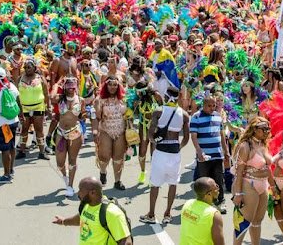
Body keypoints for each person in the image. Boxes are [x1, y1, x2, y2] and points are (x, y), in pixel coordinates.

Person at [139, 86, 190, 224]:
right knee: (173, 184)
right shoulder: (184, 115)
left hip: (160, 152)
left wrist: (155, 142)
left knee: (155, 184)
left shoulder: (158, 111)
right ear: (178, 97)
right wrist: (178, 147)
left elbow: (150, 134)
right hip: (174, 153)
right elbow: (186, 138)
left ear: (166, 97)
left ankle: (151, 214)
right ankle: (167, 214)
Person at [52, 176, 132, 245]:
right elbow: (82, 218)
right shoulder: (86, 204)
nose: (78, 193)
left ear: (92, 193)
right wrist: (64, 221)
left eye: (80, 190)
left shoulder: (111, 213)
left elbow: (126, 242)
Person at [232, 117, 273, 245]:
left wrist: (274, 186)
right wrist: (238, 194)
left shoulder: (263, 144)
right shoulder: (246, 146)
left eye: (268, 129)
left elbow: (268, 168)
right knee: (244, 222)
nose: (267, 131)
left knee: (257, 222)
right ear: (255, 129)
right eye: (264, 129)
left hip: (263, 185)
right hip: (249, 185)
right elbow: (239, 173)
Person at [190, 94, 229, 214]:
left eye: (214, 105)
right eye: (209, 106)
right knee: (204, 182)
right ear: (203, 105)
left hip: (217, 155)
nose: (212, 108)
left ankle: (220, 202)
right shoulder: (196, 117)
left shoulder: (218, 116)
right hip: (204, 157)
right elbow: (194, 137)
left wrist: (226, 151)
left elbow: (221, 134)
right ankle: (203, 205)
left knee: (219, 179)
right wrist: (199, 151)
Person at [53, 76, 85, 196]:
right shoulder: (60, 99)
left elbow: (82, 115)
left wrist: (87, 115)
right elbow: (51, 97)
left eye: (73, 86)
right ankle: (65, 177)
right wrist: (57, 84)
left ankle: (70, 186)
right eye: (68, 85)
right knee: (60, 163)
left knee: (72, 160)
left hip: (75, 133)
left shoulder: (80, 100)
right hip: (61, 132)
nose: (71, 88)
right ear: (65, 87)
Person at [93, 75, 127, 190]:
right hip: (105, 131)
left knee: (118, 157)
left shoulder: (124, 99)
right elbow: (96, 117)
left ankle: (117, 181)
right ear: (106, 86)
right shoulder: (100, 100)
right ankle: (103, 172)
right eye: (110, 85)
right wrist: (95, 131)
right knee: (104, 156)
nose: (112, 87)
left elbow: (129, 113)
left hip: (120, 131)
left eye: (115, 85)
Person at [16, 57, 51, 160]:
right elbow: (16, 95)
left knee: (39, 129)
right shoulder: (19, 79)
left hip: (38, 107)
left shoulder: (40, 78)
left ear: (35, 68)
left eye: (29, 67)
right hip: (24, 108)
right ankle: (21, 151)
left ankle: (42, 152)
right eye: (25, 67)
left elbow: (46, 93)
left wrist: (48, 107)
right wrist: (19, 110)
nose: (27, 69)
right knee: (24, 129)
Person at [180, 177, 225, 245]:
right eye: (216, 187)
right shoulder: (213, 214)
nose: (218, 189)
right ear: (209, 194)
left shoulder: (187, 204)